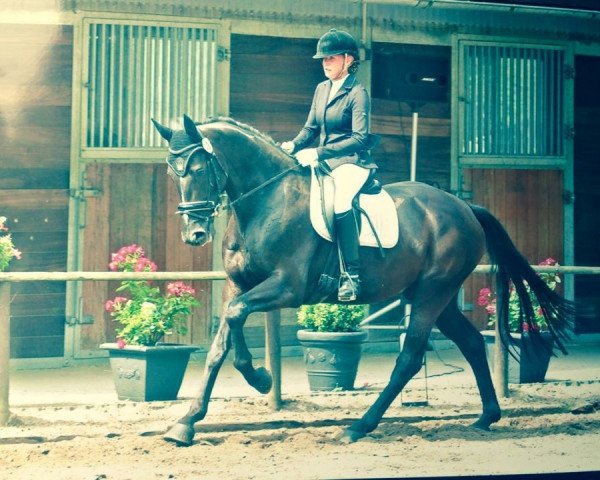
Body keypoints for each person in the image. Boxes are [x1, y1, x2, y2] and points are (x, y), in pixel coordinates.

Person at [281, 28, 377, 302]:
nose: (325, 63)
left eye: (331, 58)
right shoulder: (321, 89)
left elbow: (360, 138)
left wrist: (319, 153)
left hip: (351, 162)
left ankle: (351, 275)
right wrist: (294, 145)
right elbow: (310, 127)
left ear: (348, 60)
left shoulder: (358, 93)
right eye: (323, 59)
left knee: (341, 203)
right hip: (322, 160)